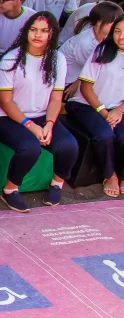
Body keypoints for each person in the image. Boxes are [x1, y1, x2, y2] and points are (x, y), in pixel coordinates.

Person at [0, 12, 77, 211]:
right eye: (33, 29)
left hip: (42, 115)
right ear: (26, 31)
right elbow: (5, 101)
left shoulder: (58, 59)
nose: (38, 35)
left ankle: (56, 184)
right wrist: (31, 126)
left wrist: (49, 124)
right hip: (5, 117)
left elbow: (56, 98)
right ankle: (10, 190)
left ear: (52, 34)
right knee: (30, 147)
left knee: (69, 145)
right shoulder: (11, 59)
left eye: (44, 31)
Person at [66, 15, 124, 198]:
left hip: (117, 108)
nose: (121, 37)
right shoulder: (102, 51)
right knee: (104, 134)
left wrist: (119, 110)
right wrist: (105, 112)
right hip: (87, 105)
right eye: (117, 31)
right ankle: (110, 174)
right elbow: (86, 87)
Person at [62, 2, 122, 92]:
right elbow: (97, 72)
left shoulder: (102, 37)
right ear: (99, 22)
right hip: (68, 86)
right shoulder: (84, 43)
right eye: (114, 23)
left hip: (80, 82)